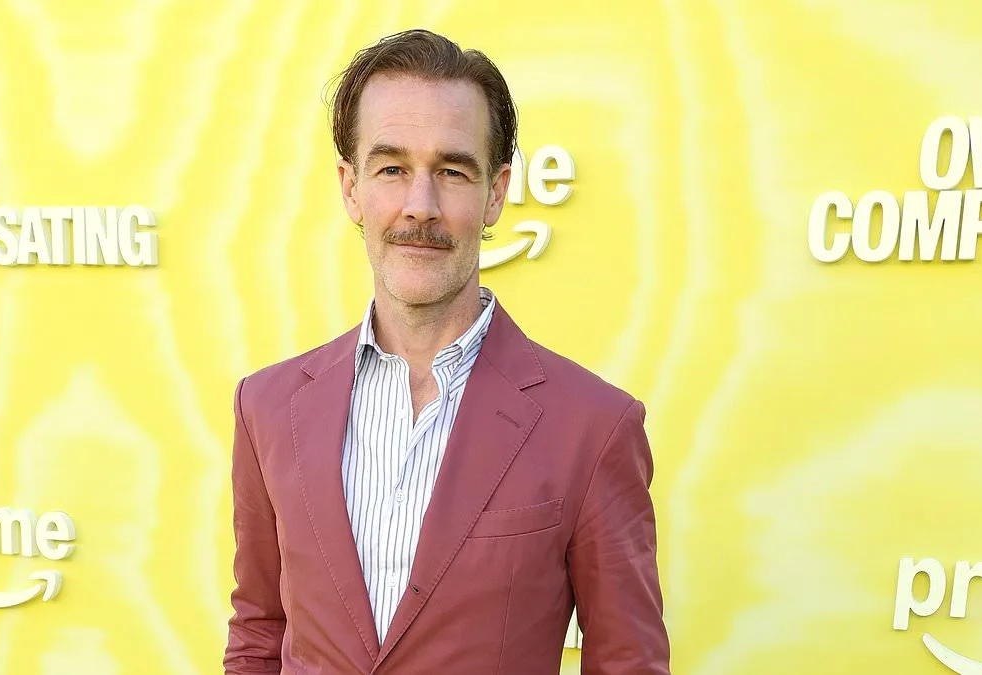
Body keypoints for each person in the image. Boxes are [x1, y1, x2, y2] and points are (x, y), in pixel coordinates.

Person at [223, 28, 670, 675]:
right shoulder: (267, 407)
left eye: (452, 172)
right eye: (392, 169)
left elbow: (628, 663)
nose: (420, 206)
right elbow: (259, 633)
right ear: (350, 187)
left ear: (496, 192)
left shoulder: (594, 428)